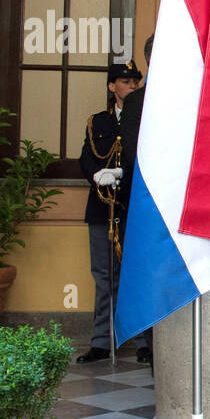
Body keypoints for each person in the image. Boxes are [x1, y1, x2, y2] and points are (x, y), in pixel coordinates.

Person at [75, 59, 142, 363]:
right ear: (112, 87)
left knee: (137, 275)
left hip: (133, 205)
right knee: (104, 277)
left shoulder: (145, 116)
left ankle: (145, 342)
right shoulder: (98, 122)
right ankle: (102, 340)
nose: (131, 86)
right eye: (125, 82)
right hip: (102, 207)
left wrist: (123, 174)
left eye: (135, 82)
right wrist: (96, 175)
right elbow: (87, 158)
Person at [116, 36, 153, 364]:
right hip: (149, 201)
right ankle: (154, 348)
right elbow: (132, 151)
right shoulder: (137, 101)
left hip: (190, 203)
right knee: (151, 275)